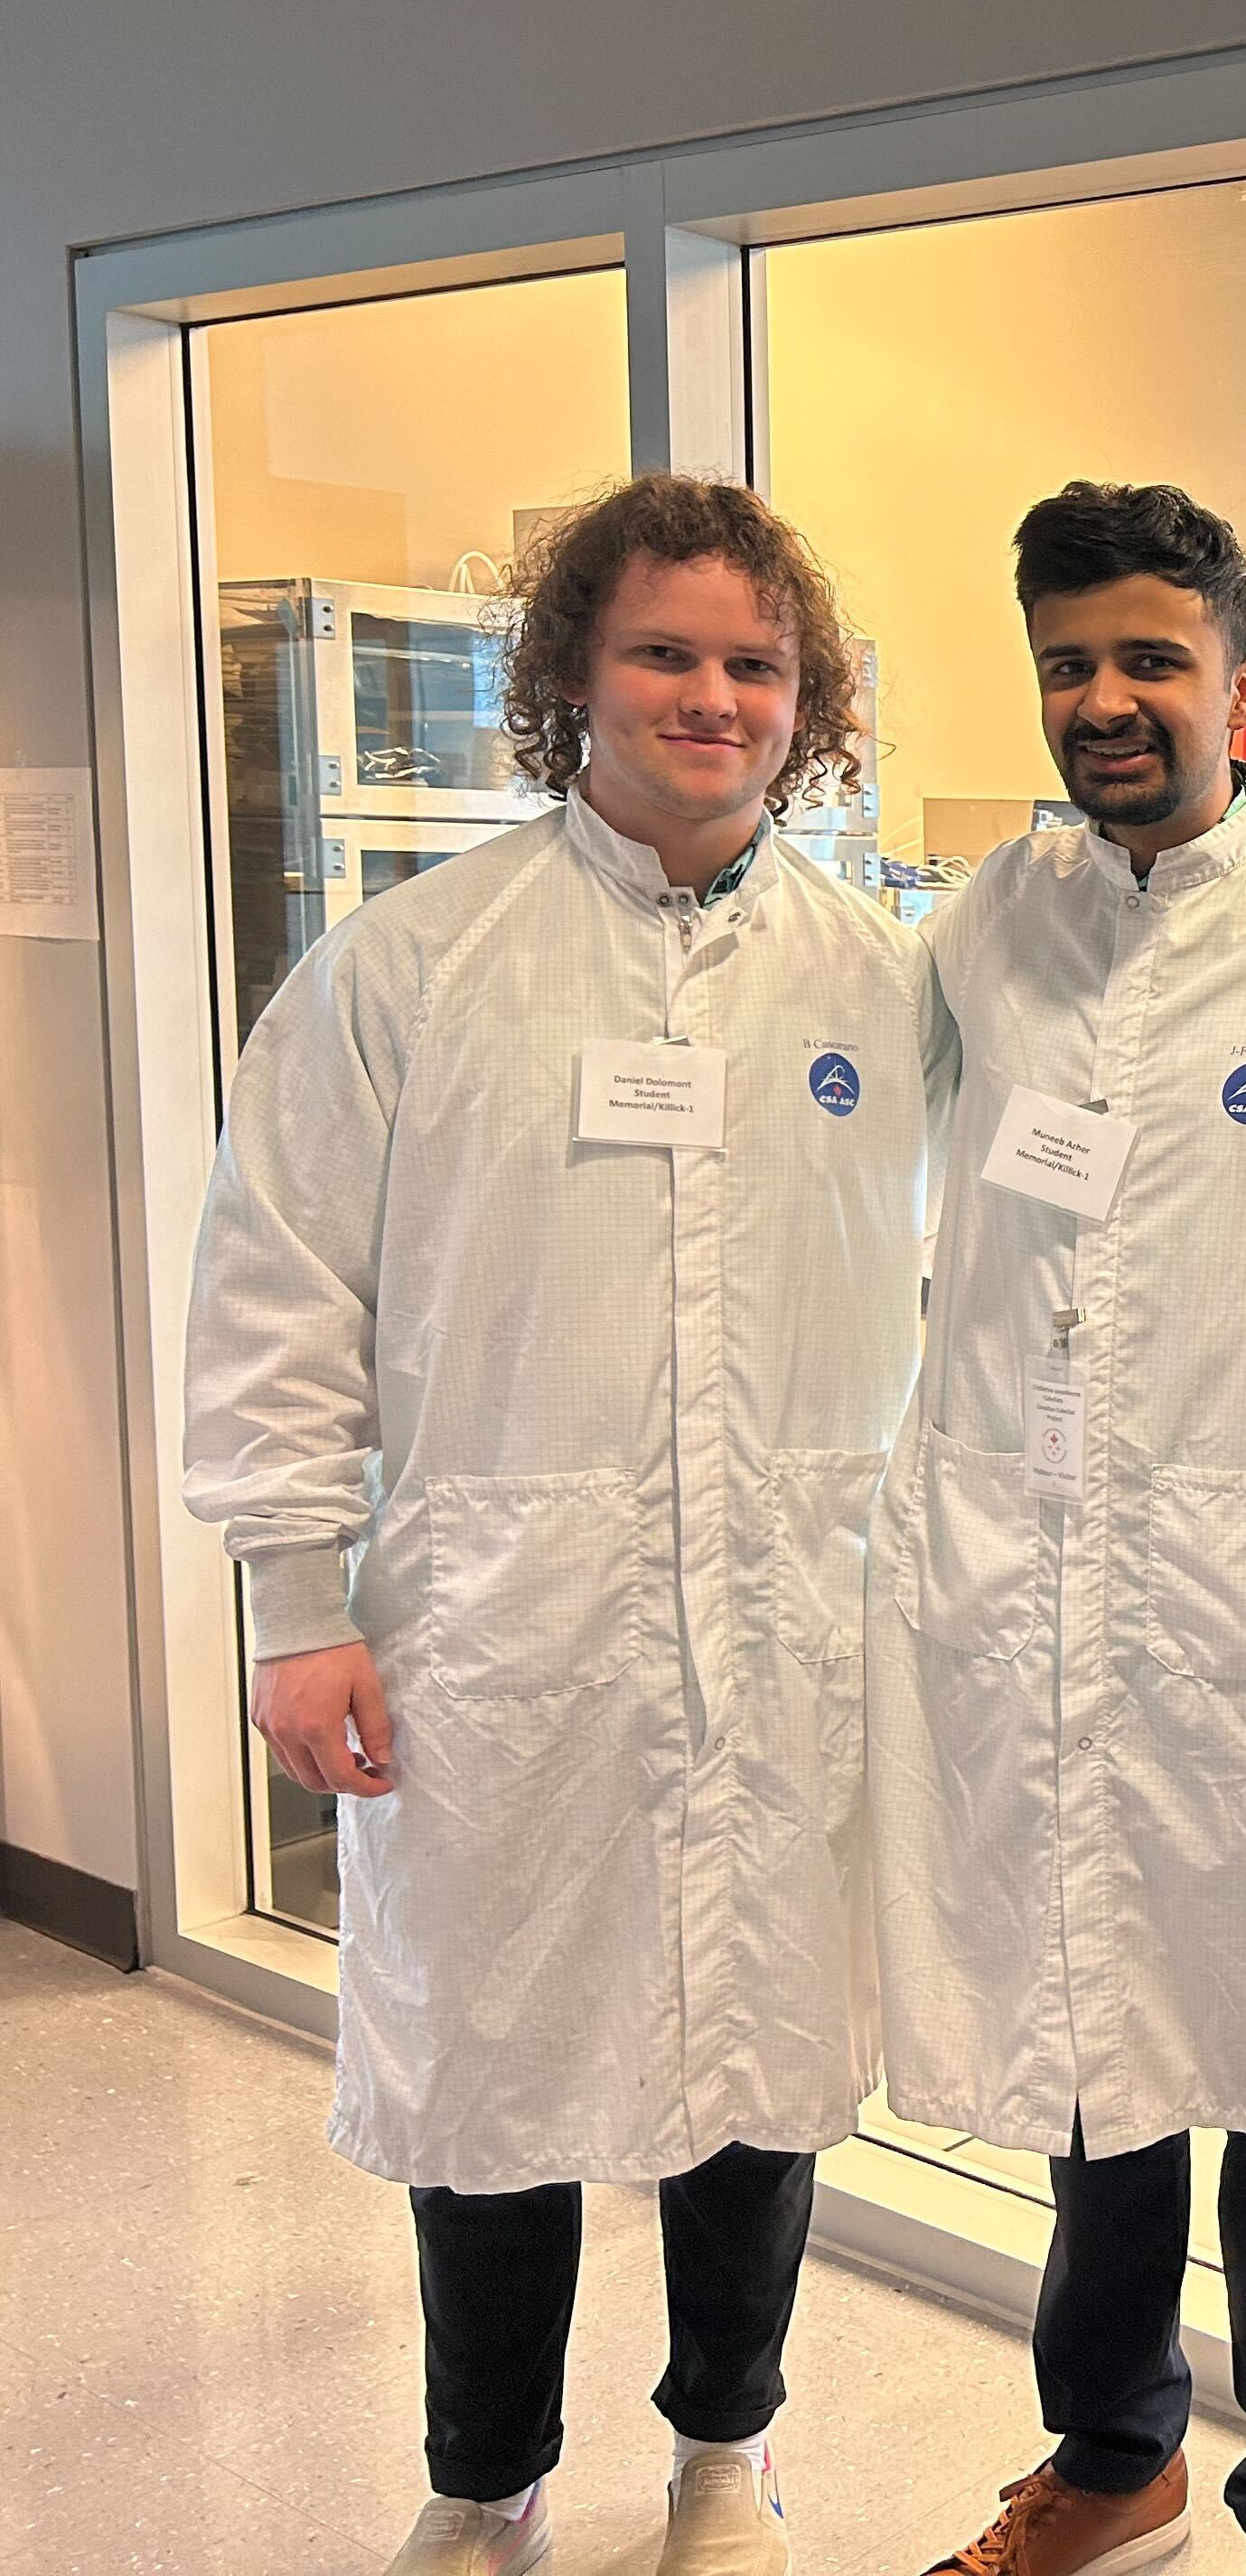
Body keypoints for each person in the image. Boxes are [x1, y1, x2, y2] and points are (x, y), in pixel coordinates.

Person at [182, 475, 923, 2576]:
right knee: (491, 2067)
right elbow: (276, 1288)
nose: (713, 696)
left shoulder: (878, 987)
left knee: (759, 2056)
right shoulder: (415, 968)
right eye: (665, 654)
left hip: (791, 1615)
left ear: (811, 703)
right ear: (571, 681)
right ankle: (483, 2471)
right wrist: (295, 1602)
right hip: (501, 1622)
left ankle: (724, 2453)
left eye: (755, 664)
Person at [876, 482, 1246, 2576]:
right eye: (1071, 661)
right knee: (1097, 2056)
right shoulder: (981, 928)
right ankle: (1112, 2451)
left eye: (1150, 659)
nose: (1107, 699)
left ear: (1240, 678)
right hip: (1038, 1574)